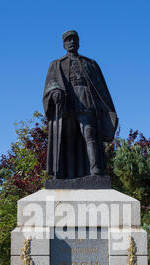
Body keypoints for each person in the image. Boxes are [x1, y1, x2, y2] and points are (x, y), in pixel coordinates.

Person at [43, 30, 118, 179]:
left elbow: (101, 88)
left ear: (78, 42)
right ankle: (69, 174)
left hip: (86, 101)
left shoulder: (90, 63)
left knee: (89, 134)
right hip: (67, 104)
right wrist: (54, 92)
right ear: (64, 44)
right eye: (68, 40)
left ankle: (95, 170)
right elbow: (51, 84)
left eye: (74, 39)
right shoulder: (56, 64)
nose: (71, 42)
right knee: (69, 138)